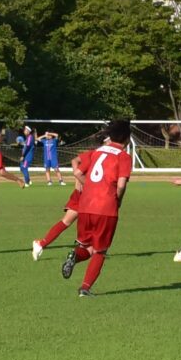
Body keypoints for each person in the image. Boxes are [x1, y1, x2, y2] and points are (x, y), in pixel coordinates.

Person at [60, 119, 135, 297]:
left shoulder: (96, 152)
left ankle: (75, 256)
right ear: (126, 138)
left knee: (88, 246)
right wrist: (118, 200)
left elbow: (78, 171)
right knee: (100, 250)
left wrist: (89, 188)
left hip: (85, 205)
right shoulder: (123, 156)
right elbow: (122, 185)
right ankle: (85, 288)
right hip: (106, 207)